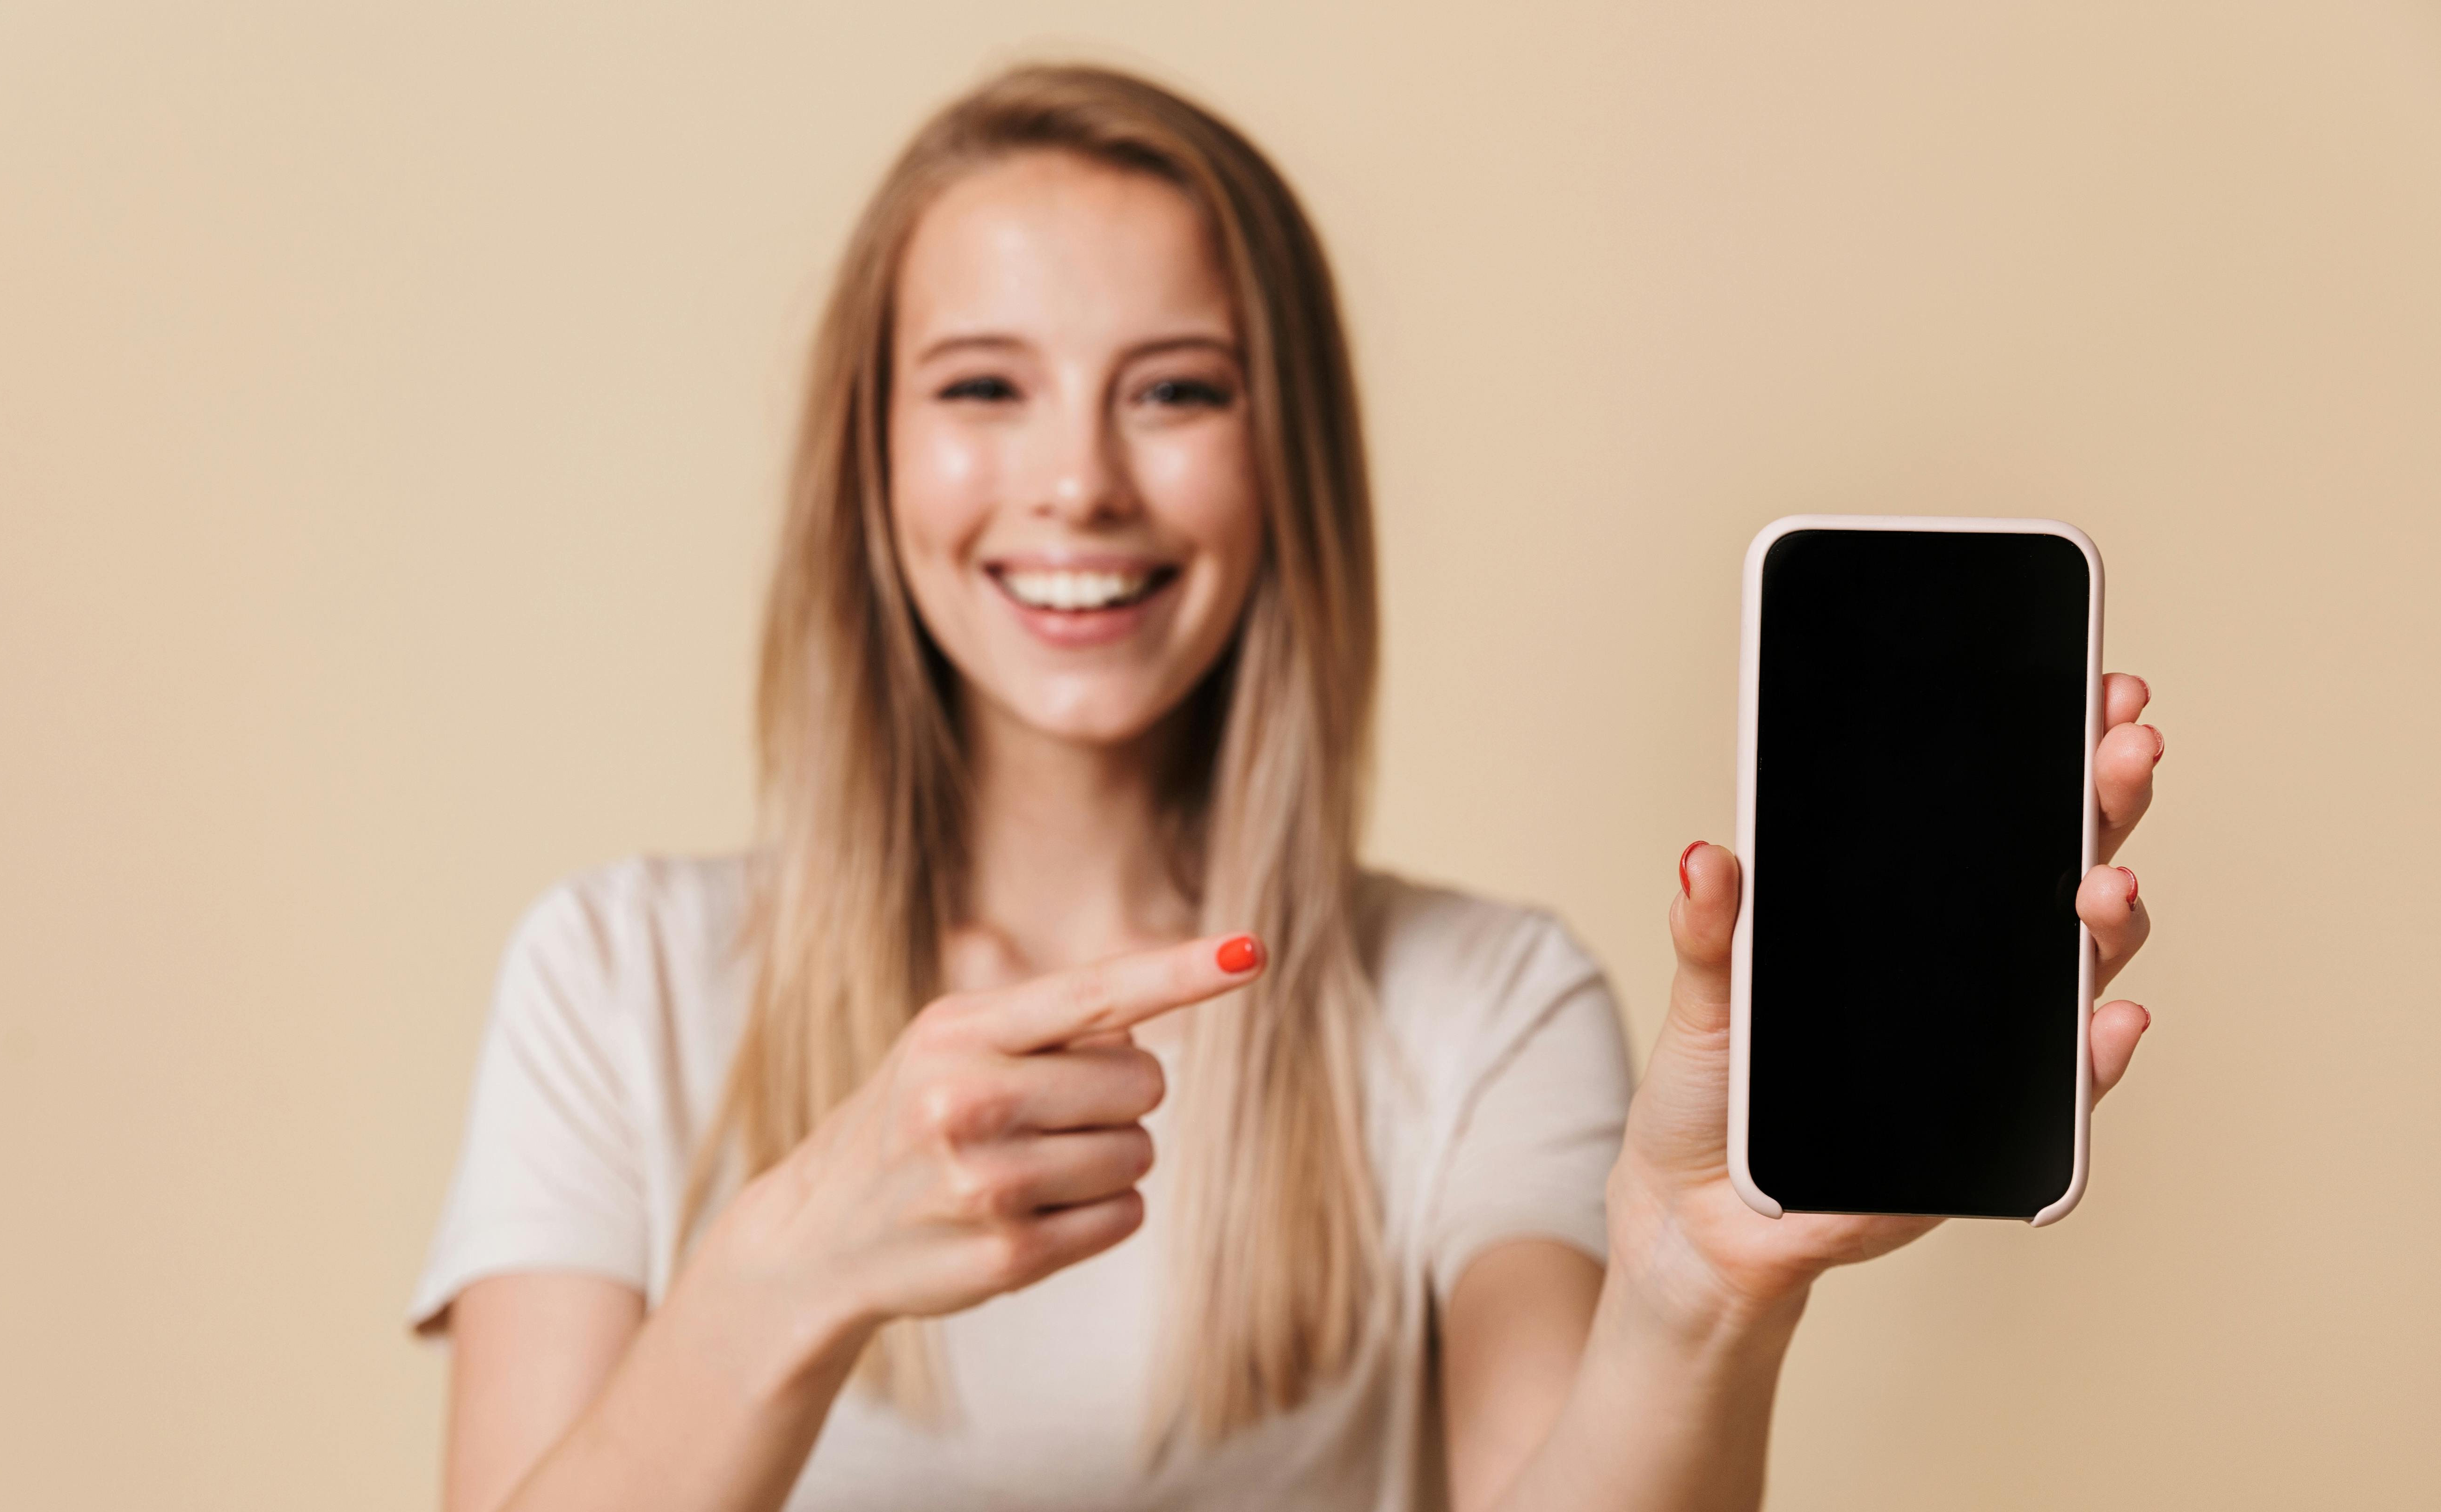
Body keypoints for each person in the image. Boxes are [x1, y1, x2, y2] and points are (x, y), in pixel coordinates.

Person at [409, 63, 2163, 1512]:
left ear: (1285, 458)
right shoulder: (613, 979)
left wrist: (1693, 1297)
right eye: (985, 386)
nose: (1079, 482)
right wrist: (785, 1266)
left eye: (1176, 390)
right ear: (870, 454)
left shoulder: (1486, 1007)